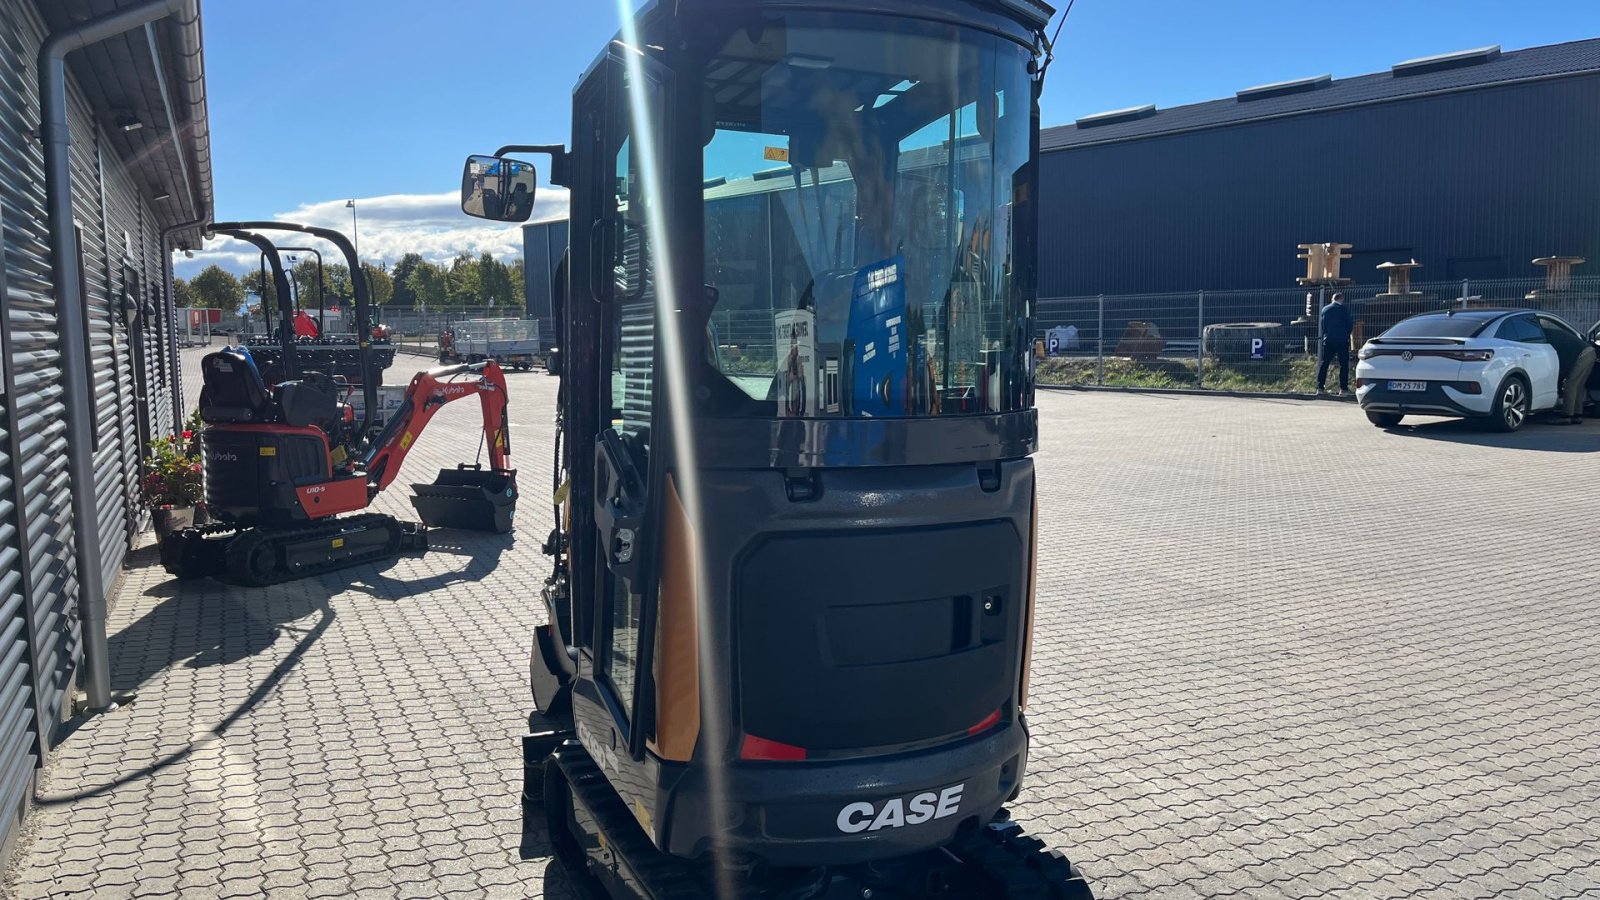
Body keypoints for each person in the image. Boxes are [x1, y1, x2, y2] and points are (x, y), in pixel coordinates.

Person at [1544, 320, 1594, 426]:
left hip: (1582, 355)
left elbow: (1560, 362)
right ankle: (1577, 415)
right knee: (1578, 386)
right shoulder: (1554, 333)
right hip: (1589, 352)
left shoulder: (1548, 340)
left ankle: (1566, 416)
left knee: (1570, 385)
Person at [1317, 292, 1353, 395]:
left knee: (1325, 363)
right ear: (1342, 299)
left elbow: (1323, 325)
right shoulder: (1344, 309)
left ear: (1332, 299)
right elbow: (1349, 325)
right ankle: (1343, 389)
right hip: (1342, 341)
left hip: (1329, 340)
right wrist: (1346, 335)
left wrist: (1327, 334)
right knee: (1343, 365)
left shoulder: (1325, 310)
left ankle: (1320, 387)